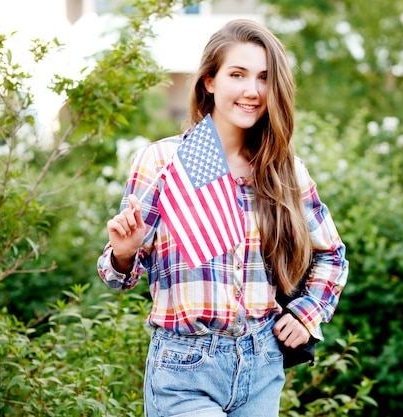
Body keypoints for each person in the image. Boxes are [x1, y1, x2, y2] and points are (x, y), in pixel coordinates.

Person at [97, 19, 348, 417]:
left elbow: (331, 256)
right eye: (237, 74)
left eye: (265, 78)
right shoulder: (163, 162)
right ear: (210, 81)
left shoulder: (284, 171)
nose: (252, 90)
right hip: (184, 369)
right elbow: (117, 275)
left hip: (261, 366)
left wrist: (306, 314)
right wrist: (124, 254)